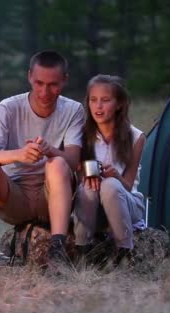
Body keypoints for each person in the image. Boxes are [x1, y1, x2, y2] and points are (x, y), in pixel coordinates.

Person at [0, 50, 85, 271]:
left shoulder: (73, 110)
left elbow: (73, 161)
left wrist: (50, 150)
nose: (45, 92)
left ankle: (58, 249)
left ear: (65, 80)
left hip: (51, 195)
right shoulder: (9, 107)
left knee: (58, 163)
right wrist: (18, 154)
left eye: (53, 85)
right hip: (14, 197)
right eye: (39, 83)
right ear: (29, 77)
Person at [73, 74, 146, 266]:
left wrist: (115, 176)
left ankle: (124, 251)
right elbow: (78, 177)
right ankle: (82, 250)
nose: (98, 106)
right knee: (88, 187)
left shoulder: (136, 137)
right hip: (92, 208)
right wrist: (85, 174)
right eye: (93, 100)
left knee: (111, 185)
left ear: (119, 104)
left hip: (127, 204)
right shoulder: (80, 135)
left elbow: (129, 186)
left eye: (105, 100)